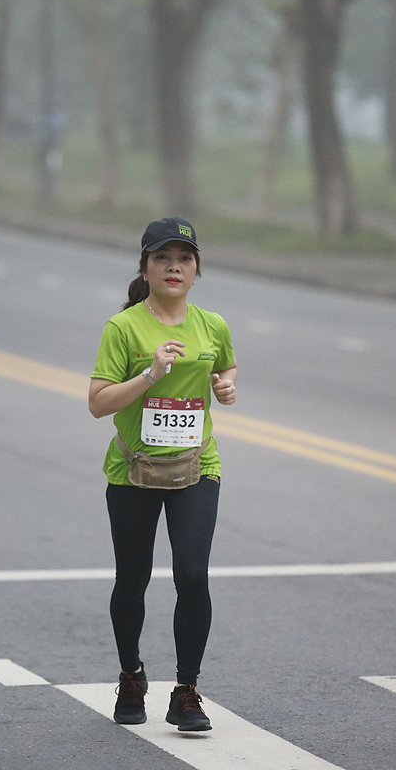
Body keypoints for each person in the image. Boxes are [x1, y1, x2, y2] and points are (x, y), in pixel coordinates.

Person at [88, 217, 238, 732]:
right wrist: (150, 375)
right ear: (146, 268)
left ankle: (187, 690)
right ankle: (131, 675)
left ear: (196, 271)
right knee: (133, 578)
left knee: (192, 575)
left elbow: (227, 366)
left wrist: (226, 386)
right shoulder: (124, 327)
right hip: (133, 470)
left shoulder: (212, 324)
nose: (174, 267)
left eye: (185, 259)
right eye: (162, 258)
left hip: (198, 466)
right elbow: (97, 404)